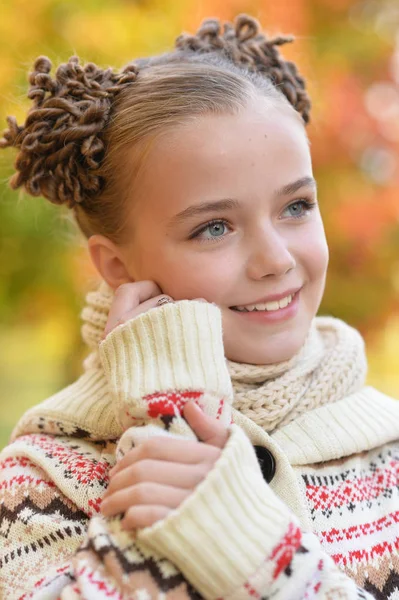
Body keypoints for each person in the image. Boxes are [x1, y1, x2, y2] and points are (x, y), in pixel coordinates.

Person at [0, 12, 398, 600]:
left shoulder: (385, 455)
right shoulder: (45, 477)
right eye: (215, 227)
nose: (275, 259)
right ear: (117, 266)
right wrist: (169, 420)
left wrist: (251, 546)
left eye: (296, 206)